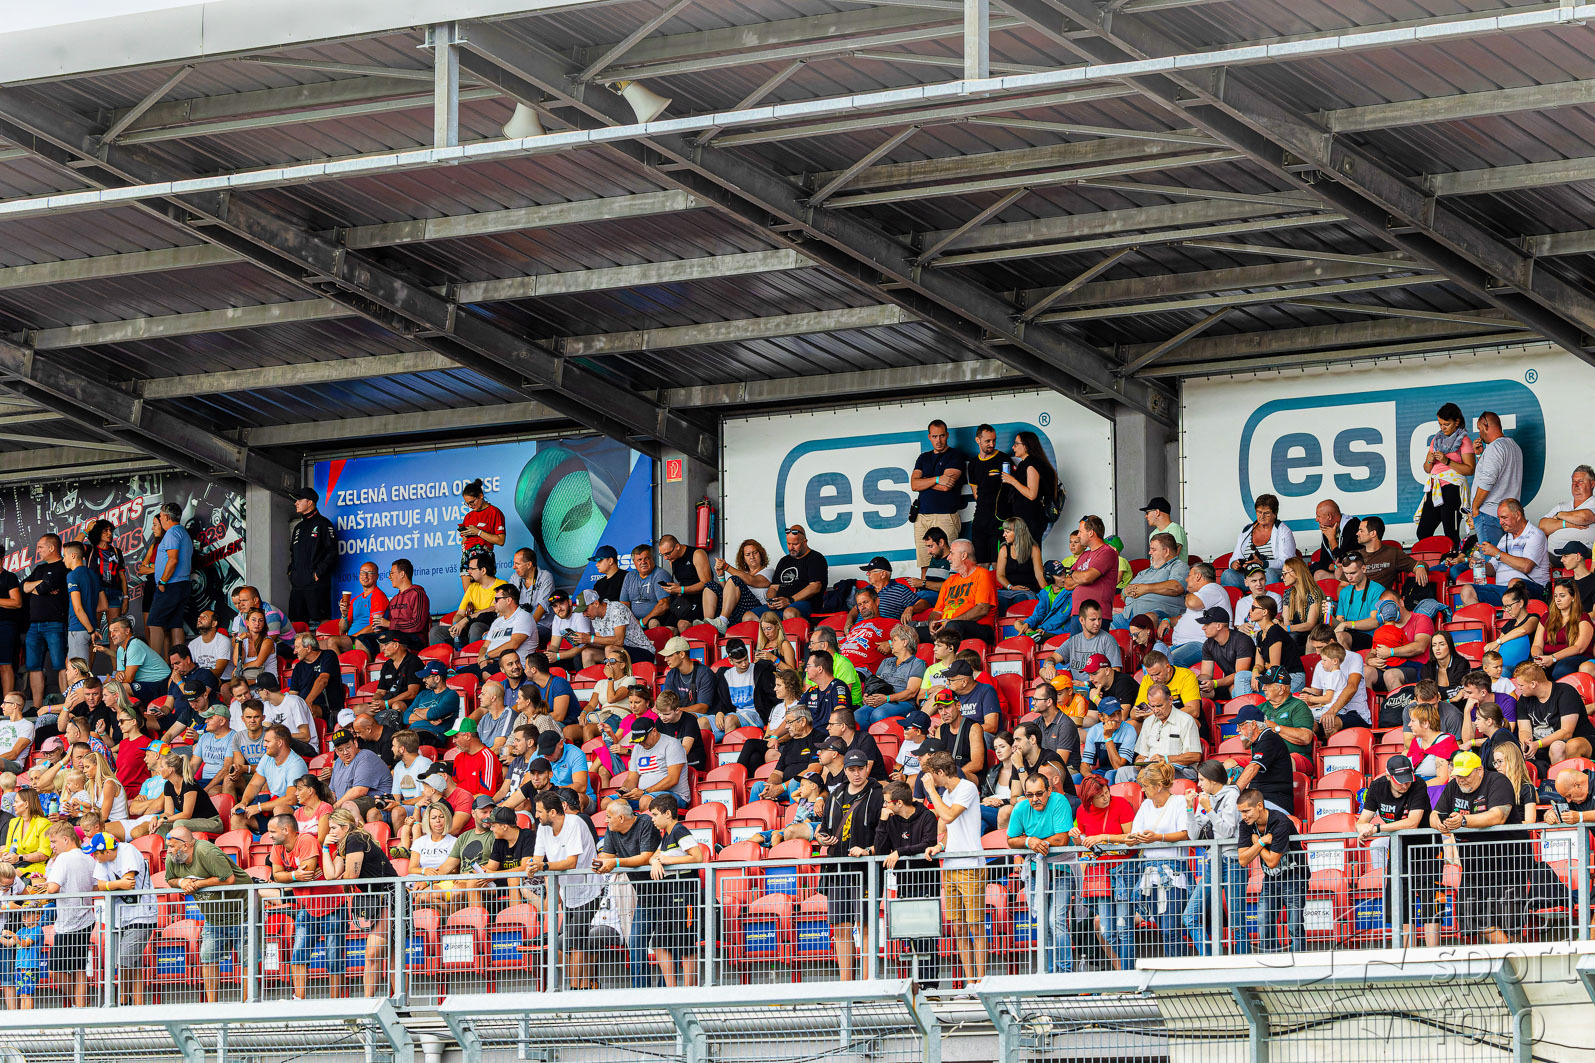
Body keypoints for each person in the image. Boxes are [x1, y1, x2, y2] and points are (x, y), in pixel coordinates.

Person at [1430, 751, 1523, 944]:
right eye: (1457, 775)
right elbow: (1434, 814)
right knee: (1470, 914)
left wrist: (1463, 821)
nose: (1461, 780)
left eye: (1465, 775)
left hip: (1508, 865)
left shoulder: (1498, 782)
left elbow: (1498, 816)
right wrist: (1439, 824)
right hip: (1473, 867)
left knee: (1509, 919)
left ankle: (1516, 952)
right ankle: (1510, 950)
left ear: (1480, 770)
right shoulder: (1453, 786)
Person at [813, 749, 882, 981]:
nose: (856, 773)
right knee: (841, 927)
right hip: (837, 869)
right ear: (845, 770)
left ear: (866, 768)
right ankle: (846, 985)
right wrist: (822, 838)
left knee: (865, 926)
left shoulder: (877, 794)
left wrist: (869, 850)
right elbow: (824, 828)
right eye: (851, 769)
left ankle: (868, 983)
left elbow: (883, 833)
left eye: (860, 768)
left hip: (866, 870)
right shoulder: (836, 794)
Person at [161, 826, 247, 1003]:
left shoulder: (206, 852)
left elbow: (228, 879)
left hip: (242, 911)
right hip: (213, 917)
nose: (168, 850)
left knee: (247, 959)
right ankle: (212, 1006)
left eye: (171, 846)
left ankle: (248, 1004)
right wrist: (182, 881)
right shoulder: (173, 858)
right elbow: (169, 880)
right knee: (208, 958)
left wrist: (198, 884)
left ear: (185, 845)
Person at [267, 811, 347, 998]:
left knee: (334, 957)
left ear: (286, 830)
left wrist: (289, 877)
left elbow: (308, 872)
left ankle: (336, 1002)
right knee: (298, 955)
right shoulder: (277, 847)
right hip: (307, 907)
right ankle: (299, 999)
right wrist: (294, 875)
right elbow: (276, 876)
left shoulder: (306, 840)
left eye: (272, 831)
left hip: (333, 906)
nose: (269, 835)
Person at [922, 749, 985, 984]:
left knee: (976, 926)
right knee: (958, 927)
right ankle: (970, 982)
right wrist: (940, 845)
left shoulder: (966, 788)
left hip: (970, 865)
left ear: (940, 772)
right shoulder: (947, 794)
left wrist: (931, 791)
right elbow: (950, 828)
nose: (929, 780)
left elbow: (948, 817)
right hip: (950, 866)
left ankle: (982, 981)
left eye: (931, 775)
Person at [529, 790, 603, 989]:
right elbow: (537, 859)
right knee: (572, 943)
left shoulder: (574, 823)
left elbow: (571, 862)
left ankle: (575, 989)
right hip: (568, 892)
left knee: (576, 943)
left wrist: (543, 866)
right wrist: (532, 867)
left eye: (539, 811)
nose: (536, 815)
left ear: (553, 812)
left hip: (589, 890)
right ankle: (583, 987)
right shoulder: (543, 827)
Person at [1006, 771, 1077, 972]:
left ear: (1049, 791)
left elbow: (1062, 839)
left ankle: (1064, 974)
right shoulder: (1020, 807)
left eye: (1039, 793)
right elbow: (1011, 840)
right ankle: (1048, 973)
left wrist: (1036, 843)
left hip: (1062, 869)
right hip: (1036, 872)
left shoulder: (1059, 801)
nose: (1034, 799)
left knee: (1056, 921)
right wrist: (1030, 841)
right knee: (1044, 923)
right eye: (1030, 795)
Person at [874, 780, 941, 980]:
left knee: (927, 934)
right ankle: (915, 980)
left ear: (899, 803)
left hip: (927, 881)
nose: (884, 806)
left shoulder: (927, 816)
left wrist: (900, 852)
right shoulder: (890, 820)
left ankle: (929, 982)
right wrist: (882, 823)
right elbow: (881, 850)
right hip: (904, 882)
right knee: (910, 933)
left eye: (887, 802)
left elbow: (928, 843)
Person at [595, 797, 661, 988]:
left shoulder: (645, 823)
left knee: (666, 945)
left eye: (609, 817)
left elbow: (645, 857)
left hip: (665, 893)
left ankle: (666, 991)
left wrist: (615, 862)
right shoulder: (612, 829)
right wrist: (599, 863)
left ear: (621, 818)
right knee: (636, 943)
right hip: (644, 896)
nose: (606, 820)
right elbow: (606, 856)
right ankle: (641, 991)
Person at [1236, 788, 1306, 953]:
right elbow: (1243, 860)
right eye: (1241, 812)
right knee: (1264, 920)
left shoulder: (1280, 822)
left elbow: (1272, 861)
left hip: (1294, 877)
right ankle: (1271, 960)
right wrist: (1261, 842)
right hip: (1270, 878)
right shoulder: (1245, 825)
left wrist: (1256, 843)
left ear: (1259, 806)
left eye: (1246, 811)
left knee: (1294, 926)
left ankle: (1300, 962)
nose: (1243, 816)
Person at [1458, 499, 1551, 608]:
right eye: (1499, 518)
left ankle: (1514, 617)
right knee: (1467, 590)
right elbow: (1492, 569)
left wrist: (1497, 553)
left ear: (1517, 515)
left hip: (1532, 589)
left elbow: (1526, 567)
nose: (1501, 522)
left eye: (1504, 517)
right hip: (1503, 590)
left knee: (1514, 584)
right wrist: (1479, 565)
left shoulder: (1535, 534)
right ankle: (1483, 620)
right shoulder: (1504, 539)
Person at [1513, 661, 1595, 776]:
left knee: (1557, 747)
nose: (1518, 688)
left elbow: (1566, 732)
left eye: (1521, 685)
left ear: (1533, 684)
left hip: (1573, 743)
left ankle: (1560, 783)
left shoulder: (1565, 692)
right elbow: (1524, 729)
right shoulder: (1524, 699)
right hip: (1541, 747)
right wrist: (1526, 743)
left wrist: (1538, 744)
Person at [911, 419, 966, 570]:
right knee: (925, 565)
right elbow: (914, 485)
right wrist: (936, 479)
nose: (939, 440)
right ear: (929, 437)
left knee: (951, 563)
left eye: (941, 436)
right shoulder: (923, 458)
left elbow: (946, 487)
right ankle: (925, 587)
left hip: (945, 516)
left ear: (947, 435)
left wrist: (924, 481)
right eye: (935, 436)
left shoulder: (955, 456)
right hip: (922, 517)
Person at [920, 538, 997, 645]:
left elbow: (982, 609)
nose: (948, 558)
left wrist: (952, 621)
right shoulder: (949, 581)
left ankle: (950, 654)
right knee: (910, 633)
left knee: (953, 626)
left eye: (951, 553)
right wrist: (932, 622)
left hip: (978, 628)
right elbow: (937, 611)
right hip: (947, 627)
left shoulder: (983, 575)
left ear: (964, 556)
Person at [21, 534, 68, 707]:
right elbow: (23, 587)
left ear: (52, 548)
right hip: (34, 626)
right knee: (33, 666)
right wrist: (41, 583)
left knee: (61, 665)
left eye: (41, 547)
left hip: (55, 624)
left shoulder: (63, 567)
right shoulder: (40, 568)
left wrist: (40, 586)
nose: (38, 550)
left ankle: (67, 706)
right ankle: (36, 707)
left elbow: (42, 589)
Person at [142, 504, 193, 655]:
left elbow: (173, 560)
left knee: (154, 622)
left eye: (161, 515)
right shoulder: (183, 532)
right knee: (175, 624)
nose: (160, 518)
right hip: (182, 583)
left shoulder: (172, 533)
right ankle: (180, 661)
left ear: (167, 517)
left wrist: (163, 581)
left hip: (171, 584)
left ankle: (155, 664)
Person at [1470, 410, 1523, 551]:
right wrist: (1480, 456)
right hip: (1509, 514)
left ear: (1486, 425)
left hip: (1490, 514)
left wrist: (1474, 508)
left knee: (1490, 560)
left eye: (1479, 429)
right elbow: (1499, 475)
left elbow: (1488, 480)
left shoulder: (1495, 447)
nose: (1479, 433)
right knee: (1506, 558)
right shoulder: (1514, 446)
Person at [1128, 682, 1202, 782]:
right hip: (1151, 769)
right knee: (1121, 772)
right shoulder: (1148, 722)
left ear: (1170, 700)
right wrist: (1140, 761)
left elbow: (1195, 756)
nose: (1155, 710)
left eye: (1159, 706)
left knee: (1155, 772)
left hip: (1179, 770)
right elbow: (1142, 755)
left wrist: (1166, 759)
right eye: (1152, 706)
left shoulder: (1186, 720)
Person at [996, 429, 1059, 546]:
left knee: (1030, 553)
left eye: (1016, 444)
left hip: (1031, 519)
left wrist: (1012, 481)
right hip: (1024, 518)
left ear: (1025, 446)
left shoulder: (1032, 465)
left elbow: (1031, 494)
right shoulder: (1024, 464)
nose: (1013, 447)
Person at [1114, 533, 1189, 630]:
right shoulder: (1145, 572)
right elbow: (1124, 595)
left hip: (1156, 615)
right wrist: (1125, 592)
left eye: (1153, 549)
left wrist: (1145, 588)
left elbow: (1176, 587)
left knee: (1147, 619)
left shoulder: (1178, 566)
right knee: (1100, 625)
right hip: (1127, 616)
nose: (1149, 552)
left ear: (1166, 551)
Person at [1222, 493, 1297, 587]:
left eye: (1267, 513)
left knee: (1269, 573)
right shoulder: (1246, 530)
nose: (1262, 516)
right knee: (1228, 575)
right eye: (1259, 512)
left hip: (1269, 575)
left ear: (1275, 514)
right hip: (1249, 575)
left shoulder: (1283, 531)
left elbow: (1287, 562)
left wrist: (1262, 563)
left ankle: (1269, 597)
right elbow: (1235, 556)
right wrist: (1234, 564)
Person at [286, 487, 336, 624]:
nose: (296, 503)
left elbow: (332, 552)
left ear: (309, 502)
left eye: (299, 500)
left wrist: (318, 573)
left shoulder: (324, 524)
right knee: (297, 624)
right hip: (298, 584)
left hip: (316, 584)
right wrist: (291, 573)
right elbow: (293, 554)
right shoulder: (298, 527)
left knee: (323, 622)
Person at [1233, 704, 1293, 816]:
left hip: (1275, 803)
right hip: (1261, 800)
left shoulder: (1269, 738)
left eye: (1240, 725)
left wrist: (1232, 792)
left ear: (1253, 724)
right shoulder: (1259, 741)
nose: (1237, 730)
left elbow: (1253, 768)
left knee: (1232, 812)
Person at [1060, 516, 1117, 630]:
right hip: (1077, 614)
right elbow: (1067, 584)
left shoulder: (1107, 552)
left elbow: (1087, 577)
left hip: (1096, 616)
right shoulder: (1084, 555)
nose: (1078, 535)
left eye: (1080, 531)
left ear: (1091, 533)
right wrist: (1080, 577)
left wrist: (1074, 574)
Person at [1169, 563, 1230, 668]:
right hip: (1182, 644)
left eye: (1189, 576)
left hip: (1202, 643)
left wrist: (1187, 593)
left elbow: (1192, 603)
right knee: (1152, 661)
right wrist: (1167, 621)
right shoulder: (1203, 593)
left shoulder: (1213, 588)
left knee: (1171, 661)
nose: (1186, 580)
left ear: (1198, 576)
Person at [1532, 578, 1595, 679]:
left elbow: (1579, 648)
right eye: (1555, 596)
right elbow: (1537, 645)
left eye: (1562, 596)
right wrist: (1539, 658)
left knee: (1561, 669)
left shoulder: (1583, 617)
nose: (1558, 599)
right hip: (1548, 658)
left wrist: (1553, 658)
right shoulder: (1546, 617)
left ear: (1573, 597)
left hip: (1574, 657)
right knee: (1527, 668)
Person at [363, 558, 430, 654]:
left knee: (386, 637)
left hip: (414, 638)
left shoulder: (418, 594)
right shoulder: (394, 599)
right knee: (362, 639)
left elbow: (417, 624)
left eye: (392, 573)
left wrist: (390, 624)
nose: (389, 577)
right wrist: (380, 627)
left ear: (402, 574)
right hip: (394, 634)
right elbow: (388, 624)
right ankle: (374, 663)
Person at [656, 533, 719, 632]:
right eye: (662, 555)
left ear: (677, 546)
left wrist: (681, 589)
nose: (665, 558)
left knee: (683, 625)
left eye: (667, 553)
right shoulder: (672, 559)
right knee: (667, 630)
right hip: (684, 600)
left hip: (702, 599)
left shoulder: (697, 554)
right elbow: (683, 582)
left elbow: (707, 583)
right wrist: (675, 588)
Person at [323, 562, 387, 655]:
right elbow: (342, 630)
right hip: (351, 639)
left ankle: (340, 665)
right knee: (317, 645)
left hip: (365, 640)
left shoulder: (378, 596)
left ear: (377, 576)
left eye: (369, 573)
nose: (365, 576)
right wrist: (344, 615)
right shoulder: (355, 600)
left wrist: (353, 637)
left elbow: (375, 627)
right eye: (362, 572)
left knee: (332, 641)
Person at [712, 539, 776, 630]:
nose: (752, 557)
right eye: (748, 554)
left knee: (735, 579)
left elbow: (751, 580)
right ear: (744, 559)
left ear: (761, 554)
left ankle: (722, 621)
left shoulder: (768, 571)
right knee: (711, 585)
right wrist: (721, 576)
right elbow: (728, 595)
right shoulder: (742, 574)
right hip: (739, 610)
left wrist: (726, 567)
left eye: (755, 553)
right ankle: (709, 625)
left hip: (756, 609)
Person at [456, 477, 506, 592]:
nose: (470, 506)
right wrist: (465, 538)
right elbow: (464, 540)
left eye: (472, 502)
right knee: (469, 596)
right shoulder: (468, 517)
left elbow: (501, 540)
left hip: (484, 555)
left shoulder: (494, 512)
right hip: (467, 555)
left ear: (481, 496)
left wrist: (478, 532)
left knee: (485, 593)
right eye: (467, 504)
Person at [767, 525, 828, 620]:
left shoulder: (815, 558)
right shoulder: (784, 561)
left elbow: (815, 587)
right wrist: (771, 601)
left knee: (789, 613)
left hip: (805, 604)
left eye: (795, 544)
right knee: (749, 616)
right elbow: (773, 587)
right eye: (788, 544)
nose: (791, 547)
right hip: (780, 604)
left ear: (804, 542)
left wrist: (790, 600)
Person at [1196, 607, 1255, 701]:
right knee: (1197, 693)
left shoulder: (1242, 641)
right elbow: (1206, 674)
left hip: (1248, 684)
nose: (1203, 627)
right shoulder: (1208, 644)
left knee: (1233, 687)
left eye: (1207, 624)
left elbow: (1240, 675)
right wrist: (1197, 683)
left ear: (1219, 626)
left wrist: (1215, 683)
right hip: (1226, 683)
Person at [994, 517, 1044, 612]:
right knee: (1001, 602)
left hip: (1027, 591)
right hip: (1009, 591)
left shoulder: (1033, 549)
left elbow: (1040, 575)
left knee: (1020, 600)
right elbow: (1000, 575)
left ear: (1018, 532)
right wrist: (1011, 587)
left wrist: (1047, 595)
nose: (1004, 535)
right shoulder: (1004, 549)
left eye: (1007, 532)